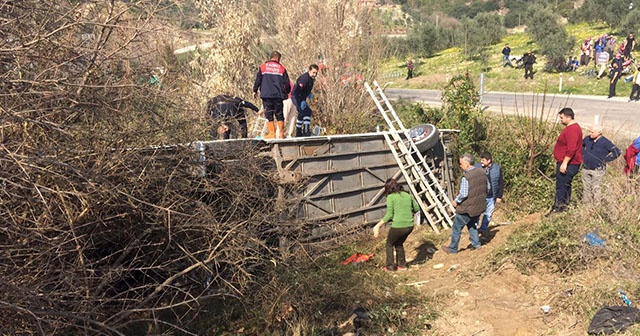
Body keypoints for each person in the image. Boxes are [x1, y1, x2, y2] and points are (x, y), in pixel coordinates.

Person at [441, 153, 487, 254]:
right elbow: (487, 188)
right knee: (472, 225)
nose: (460, 166)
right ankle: (476, 244)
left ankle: (453, 249)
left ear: (466, 163)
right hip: (478, 206)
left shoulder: (466, 177)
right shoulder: (482, 172)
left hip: (467, 208)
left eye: (461, 164)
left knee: (456, 228)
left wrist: (455, 201)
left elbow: (464, 194)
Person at [372, 178, 419, 272]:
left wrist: (377, 226)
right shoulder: (407, 195)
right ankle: (402, 266)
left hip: (398, 226)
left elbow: (389, 214)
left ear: (388, 189)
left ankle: (389, 266)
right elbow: (416, 208)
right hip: (409, 226)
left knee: (389, 244)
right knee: (399, 243)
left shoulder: (391, 197)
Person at [548, 107, 583, 215]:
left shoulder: (572, 130)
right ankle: (564, 207)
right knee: (566, 185)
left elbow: (571, 149)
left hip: (568, 163)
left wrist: (564, 163)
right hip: (568, 162)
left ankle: (558, 208)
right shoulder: (572, 128)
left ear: (569, 117)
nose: (561, 120)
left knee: (561, 186)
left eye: (562, 118)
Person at [252, 51, 291, 139]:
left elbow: (258, 80)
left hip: (266, 95)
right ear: (278, 58)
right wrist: (286, 93)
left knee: (269, 114)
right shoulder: (282, 68)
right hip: (278, 95)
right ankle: (281, 134)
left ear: (271, 57)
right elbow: (287, 84)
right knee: (279, 114)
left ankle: (272, 133)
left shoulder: (263, 67)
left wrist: (255, 90)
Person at [581, 125, 621, 205]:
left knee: (596, 188)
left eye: (592, 132)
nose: (590, 134)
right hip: (586, 168)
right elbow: (581, 145)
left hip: (597, 169)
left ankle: (596, 206)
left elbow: (617, 151)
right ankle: (586, 206)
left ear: (599, 133)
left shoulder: (605, 142)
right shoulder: (588, 139)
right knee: (586, 188)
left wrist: (605, 160)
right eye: (589, 131)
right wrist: (583, 154)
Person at [475, 152, 503, 234]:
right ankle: (474, 230)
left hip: (491, 196)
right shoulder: (477, 167)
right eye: (481, 160)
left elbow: (500, 183)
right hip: (480, 196)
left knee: (488, 214)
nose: (481, 162)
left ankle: (483, 229)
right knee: (477, 213)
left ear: (489, 160)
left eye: (483, 160)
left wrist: (499, 196)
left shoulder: (497, 169)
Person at [292, 64, 319, 137]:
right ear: (309, 71)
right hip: (297, 97)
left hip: (302, 98)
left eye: (316, 73)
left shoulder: (311, 79)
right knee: (306, 112)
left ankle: (298, 133)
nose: (315, 74)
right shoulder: (304, 79)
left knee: (303, 113)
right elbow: (298, 90)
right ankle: (305, 131)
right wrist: (300, 100)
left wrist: (308, 93)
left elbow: (306, 89)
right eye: (313, 72)